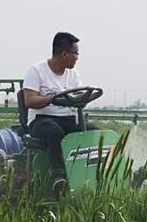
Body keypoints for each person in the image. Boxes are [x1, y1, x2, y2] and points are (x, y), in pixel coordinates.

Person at [23, 32, 96, 195]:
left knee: (93, 132)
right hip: (41, 120)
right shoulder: (36, 71)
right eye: (75, 54)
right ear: (64, 54)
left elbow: (78, 96)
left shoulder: (73, 75)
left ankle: (94, 174)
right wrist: (52, 99)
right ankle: (59, 177)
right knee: (55, 132)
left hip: (68, 119)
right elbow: (29, 100)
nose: (77, 58)